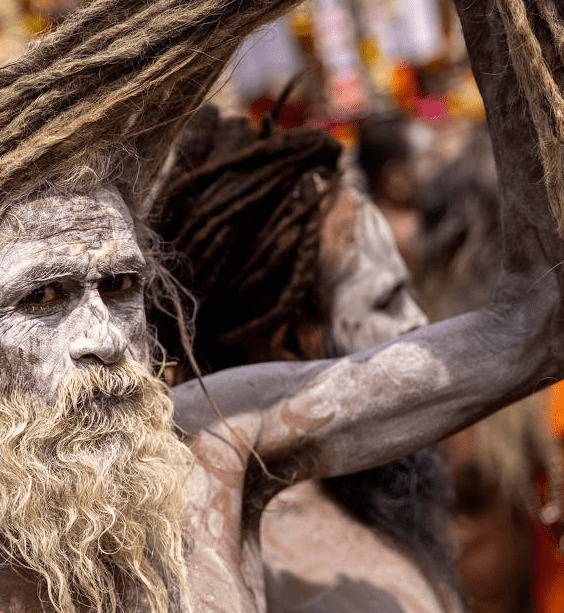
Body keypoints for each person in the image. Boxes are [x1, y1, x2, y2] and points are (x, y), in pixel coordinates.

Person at [0, 0, 564, 611]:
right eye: (42, 297)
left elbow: (533, 329)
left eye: (121, 286)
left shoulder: (214, 454)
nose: (102, 336)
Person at [152, 104, 456, 612]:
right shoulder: (335, 585)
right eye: (387, 301)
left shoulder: (333, 520)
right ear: (294, 343)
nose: (420, 326)